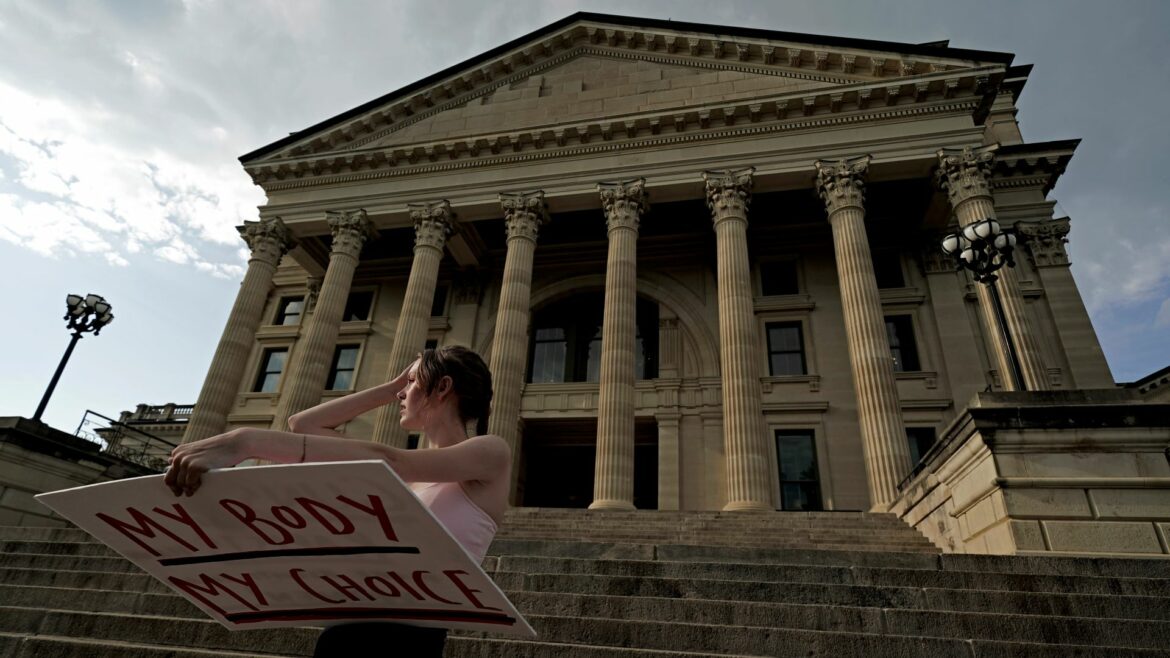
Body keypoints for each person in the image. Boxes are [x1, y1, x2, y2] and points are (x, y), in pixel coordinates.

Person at [166, 345, 509, 658]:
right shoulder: (405, 470)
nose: (402, 393)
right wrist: (390, 387)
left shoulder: (490, 452)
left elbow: (391, 460)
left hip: (410, 640)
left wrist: (245, 441)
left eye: (411, 383)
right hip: (345, 630)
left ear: (443, 387)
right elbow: (303, 424)